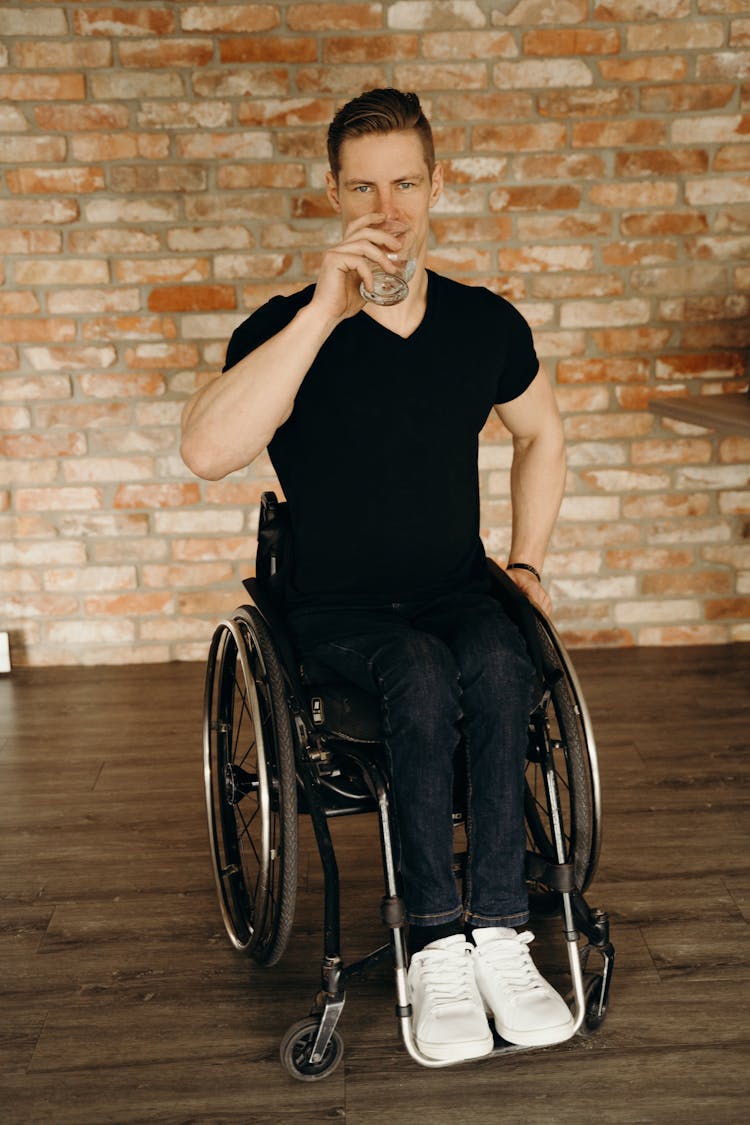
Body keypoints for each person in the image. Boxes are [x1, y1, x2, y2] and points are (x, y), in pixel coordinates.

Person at [181, 88, 574, 1063]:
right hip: (335, 610)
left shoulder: (485, 324)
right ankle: (434, 946)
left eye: (406, 183)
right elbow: (207, 451)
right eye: (364, 187)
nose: (387, 209)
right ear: (333, 195)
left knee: (494, 657)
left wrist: (525, 561)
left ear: (439, 185)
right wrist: (325, 307)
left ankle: (500, 934)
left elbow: (542, 435)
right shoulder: (288, 327)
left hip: (454, 587)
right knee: (422, 671)